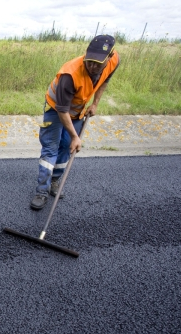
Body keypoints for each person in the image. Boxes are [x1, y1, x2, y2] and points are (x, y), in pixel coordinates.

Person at [30, 35, 120, 210]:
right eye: (89, 61)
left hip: (77, 110)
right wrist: (74, 136)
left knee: (66, 146)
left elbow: (104, 80)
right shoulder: (69, 75)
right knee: (51, 147)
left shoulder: (114, 61)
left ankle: (55, 182)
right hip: (56, 109)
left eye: (98, 63)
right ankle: (41, 191)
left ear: (109, 57)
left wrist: (94, 104)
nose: (92, 66)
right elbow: (62, 110)